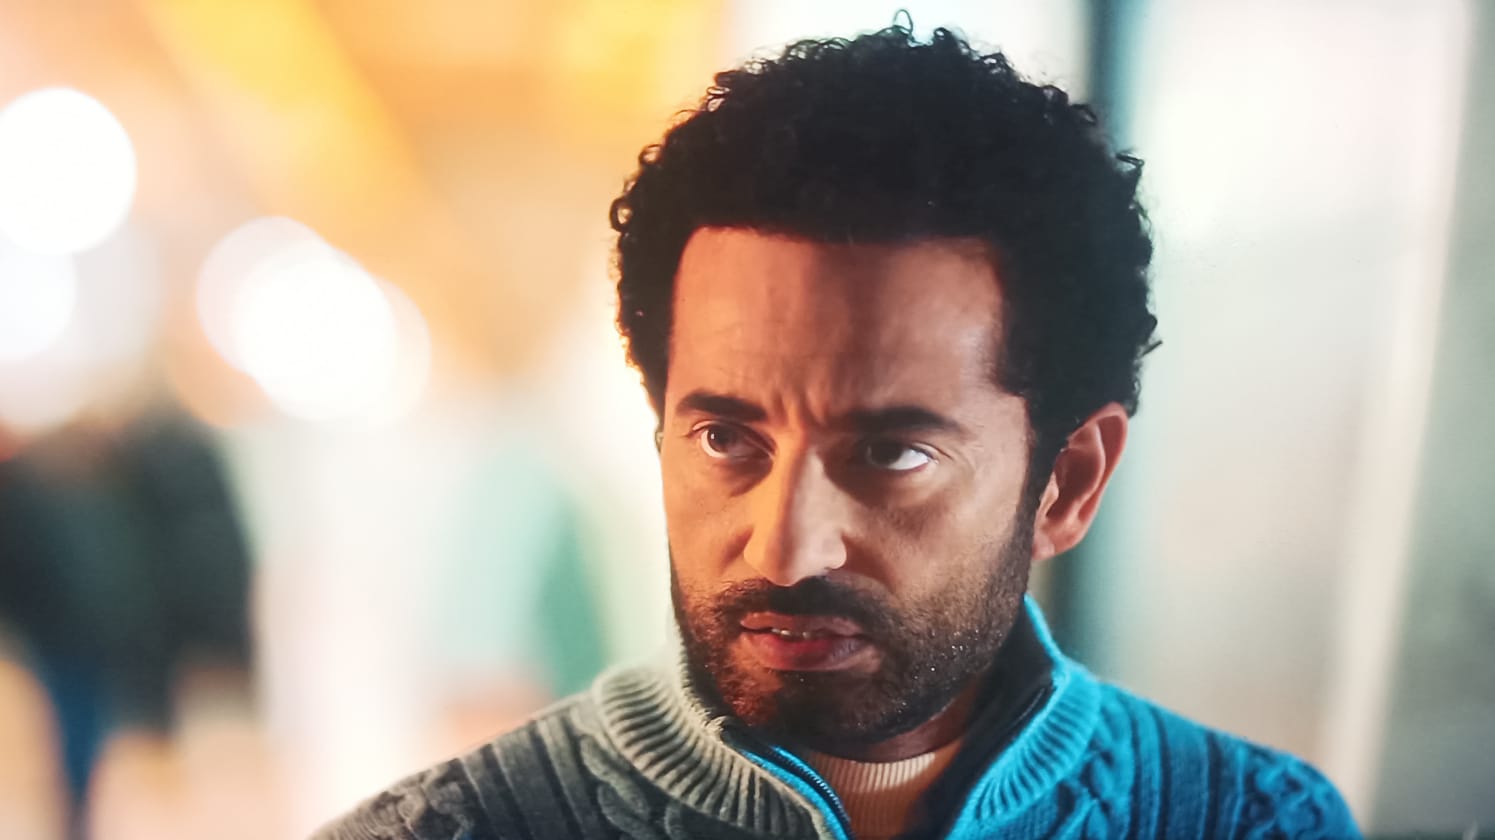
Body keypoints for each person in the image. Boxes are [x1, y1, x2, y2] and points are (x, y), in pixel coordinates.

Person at [318, 24, 1358, 840]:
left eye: (889, 454)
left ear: (1067, 483)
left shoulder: (1251, 824)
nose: (785, 548)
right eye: (726, 439)